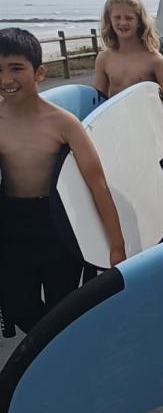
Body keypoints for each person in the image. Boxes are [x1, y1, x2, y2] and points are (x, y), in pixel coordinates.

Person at [0, 28, 125, 333]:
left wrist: (116, 246)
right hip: (11, 226)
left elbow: (98, 185)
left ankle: (60, 350)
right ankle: (54, 343)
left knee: (62, 307)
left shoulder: (63, 123)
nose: (6, 79)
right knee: (18, 307)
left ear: (39, 72)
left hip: (59, 226)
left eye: (16, 68)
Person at [95, 0, 163, 164]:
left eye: (129, 18)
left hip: (151, 134)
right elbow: (97, 105)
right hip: (119, 135)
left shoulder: (154, 60)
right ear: (109, 19)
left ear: (139, 21)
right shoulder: (104, 59)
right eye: (117, 17)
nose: (122, 22)